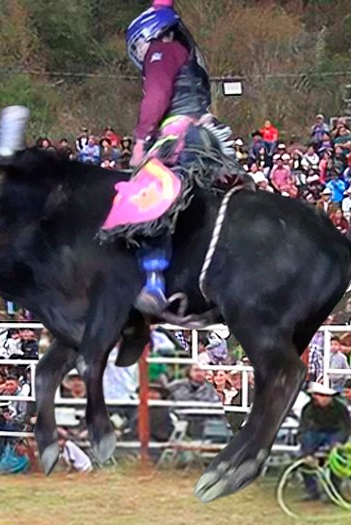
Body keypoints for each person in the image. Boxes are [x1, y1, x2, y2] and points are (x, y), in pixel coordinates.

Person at [122, 0, 244, 317]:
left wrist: (139, 141)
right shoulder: (189, 55)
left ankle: (153, 282)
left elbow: (156, 98)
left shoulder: (162, 52)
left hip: (180, 135)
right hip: (210, 136)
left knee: (147, 203)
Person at [296, 382, 351, 501]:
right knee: (301, 457)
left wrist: (339, 442)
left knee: (337, 457)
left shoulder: (340, 408)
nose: (317, 398)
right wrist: (307, 453)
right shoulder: (308, 408)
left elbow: (347, 427)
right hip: (315, 434)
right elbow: (303, 429)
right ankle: (311, 490)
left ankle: (334, 490)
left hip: (334, 433)